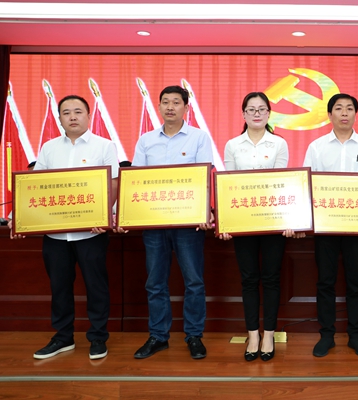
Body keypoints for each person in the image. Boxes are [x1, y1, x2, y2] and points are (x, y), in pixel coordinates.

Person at [8, 95, 119, 360]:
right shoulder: (49, 148)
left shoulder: (104, 146)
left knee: (96, 286)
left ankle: (98, 337)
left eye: (78, 111)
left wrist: (105, 216)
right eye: (66, 112)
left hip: (91, 232)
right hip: (56, 234)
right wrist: (17, 216)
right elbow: (34, 186)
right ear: (59, 118)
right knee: (59, 287)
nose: (72, 116)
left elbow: (113, 183)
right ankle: (63, 337)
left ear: (89, 116)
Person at [218, 92, 303, 362]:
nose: (256, 113)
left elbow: (280, 183)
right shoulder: (232, 145)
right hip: (243, 222)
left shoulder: (279, 143)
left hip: (273, 221)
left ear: (268, 114)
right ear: (243, 114)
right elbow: (229, 184)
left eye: (262, 109)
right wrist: (227, 221)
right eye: (251, 109)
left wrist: (289, 220)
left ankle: (269, 334)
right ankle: (252, 334)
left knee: (271, 278)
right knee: (249, 279)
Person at [131, 85, 213, 360]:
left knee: (194, 281)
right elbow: (136, 180)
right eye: (165, 102)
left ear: (186, 108)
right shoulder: (146, 140)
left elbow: (204, 178)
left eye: (176, 102)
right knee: (155, 282)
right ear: (158, 107)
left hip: (188, 222)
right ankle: (158, 336)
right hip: (154, 222)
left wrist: (207, 211)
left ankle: (194, 336)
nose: (170, 107)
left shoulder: (199, 138)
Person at [303, 93, 358, 358]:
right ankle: (326, 335)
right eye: (338, 108)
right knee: (325, 282)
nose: (344, 113)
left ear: (355, 114)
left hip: (357, 227)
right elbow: (307, 184)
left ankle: (355, 335)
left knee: (356, 282)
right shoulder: (317, 147)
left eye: (349, 108)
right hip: (325, 226)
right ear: (329, 115)